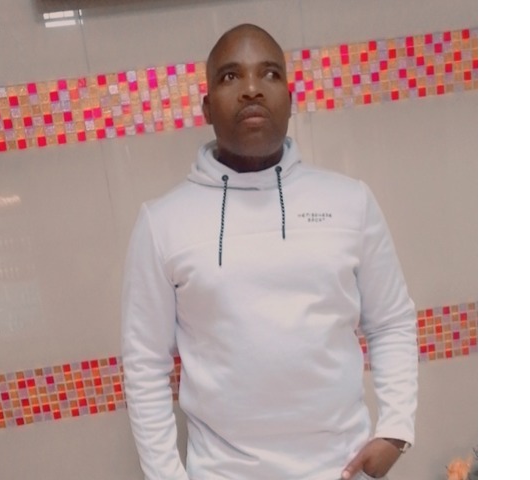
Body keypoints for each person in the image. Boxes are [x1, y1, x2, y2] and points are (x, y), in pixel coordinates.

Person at [122, 23, 418, 480]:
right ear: (206, 106)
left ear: (291, 99)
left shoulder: (350, 201)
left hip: (342, 469)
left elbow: (391, 321)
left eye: (270, 74)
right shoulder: (162, 223)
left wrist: (396, 428)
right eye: (230, 76)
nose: (252, 89)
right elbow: (144, 363)